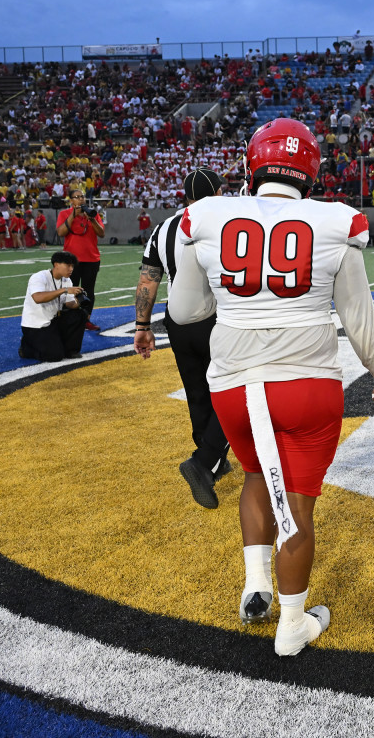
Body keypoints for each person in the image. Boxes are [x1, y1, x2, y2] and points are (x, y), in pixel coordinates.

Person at [167, 119, 374, 657]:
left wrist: (236, 301)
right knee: (297, 510)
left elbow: (185, 309)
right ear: (312, 171)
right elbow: (358, 319)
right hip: (306, 385)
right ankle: (292, 626)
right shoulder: (333, 222)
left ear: (250, 165)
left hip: (234, 386)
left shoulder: (208, 215)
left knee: (259, 474)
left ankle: (256, 584)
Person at [134, 168, 232, 509]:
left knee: (197, 391)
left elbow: (148, 281)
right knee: (237, 389)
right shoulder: (226, 220)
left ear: (185, 197)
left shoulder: (163, 228)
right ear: (219, 191)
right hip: (219, 318)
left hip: (175, 321)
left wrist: (141, 327)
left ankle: (212, 458)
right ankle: (204, 460)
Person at [18, 250, 87, 362]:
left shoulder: (67, 280)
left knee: (80, 315)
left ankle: (71, 350)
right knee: (54, 356)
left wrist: (79, 301)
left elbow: (69, 304)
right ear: (56, 264)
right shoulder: (39, 277)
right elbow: (38, 298)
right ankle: (26, 347)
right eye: (68, 265)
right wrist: (64, 290)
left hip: (53, 321)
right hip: (35, 325)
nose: (71, 269)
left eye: (72, 266)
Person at [56, 188, 105, 331]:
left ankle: (86, 320)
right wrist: (73, 215)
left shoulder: (91, 214)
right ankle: (71, 319)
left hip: (91, 258)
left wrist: (92, 219)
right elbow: (61, 232)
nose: (81, 199)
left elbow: (101, 233)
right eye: (77, 197)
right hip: (71, 260)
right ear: (71, 201)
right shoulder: (64, 214)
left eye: (82, 196)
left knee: (89, 291)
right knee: (71, 290)